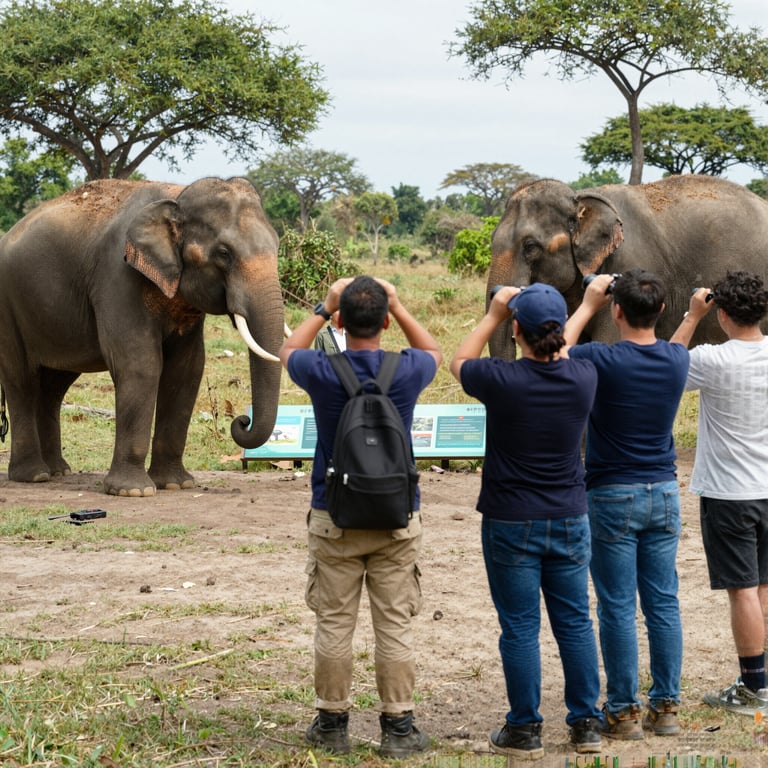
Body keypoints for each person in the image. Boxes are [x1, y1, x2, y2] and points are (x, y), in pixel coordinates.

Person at [279, 275, 441, 758]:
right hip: (396, 519)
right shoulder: (407, 370)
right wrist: (399, 304)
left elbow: (288, 350)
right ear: (386, 322)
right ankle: (398, 728)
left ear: (341, 322)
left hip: (334, 515)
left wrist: (322, 307)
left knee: (333, 623)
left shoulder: (320, 370)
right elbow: (433, 351)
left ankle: (332, 726)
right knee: (394, 626)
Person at [450, 282, 603, 758]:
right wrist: (587, 306)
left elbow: (459, 361)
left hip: (511, 519)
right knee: (575, 622)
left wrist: (493, 314)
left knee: (519, 627)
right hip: (569, 516)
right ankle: (586, 725)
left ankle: (524, 729)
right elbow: (563, 347)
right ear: (558, 331)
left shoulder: (501, 379)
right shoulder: (584, 377)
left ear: (517, 330)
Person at [563, 269, 689, 739]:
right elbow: (677, 343)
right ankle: (667, 708)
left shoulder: (601, 358)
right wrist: (693, 317)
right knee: (663, 602)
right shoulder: (676, 359)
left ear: (616, 311)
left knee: (617, 606)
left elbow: (557, 350)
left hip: (613, 493)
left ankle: (623, 712)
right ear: (661, 310)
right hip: (665, 492)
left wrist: (587, 303)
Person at [670, 270, 768, 715]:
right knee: (763, 584)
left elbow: (666, 364)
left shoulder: (712, 359)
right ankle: (762, 678)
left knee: (743, 590)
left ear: (722, 314)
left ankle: (753, 687)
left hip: (730, 492)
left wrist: (692, 316)